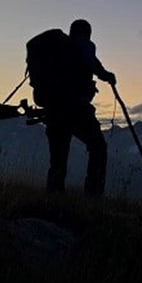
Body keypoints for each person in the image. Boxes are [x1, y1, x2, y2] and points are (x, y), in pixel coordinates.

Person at [43, 19, 116, 196]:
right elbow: (91, 62)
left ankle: (53, 198)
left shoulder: (55, 52)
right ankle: (93, 197)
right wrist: (107, 76)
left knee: (58, 158)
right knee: (98, 147)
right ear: (87, 33)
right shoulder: (82, 45)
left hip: (52, 110)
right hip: (76, 109)